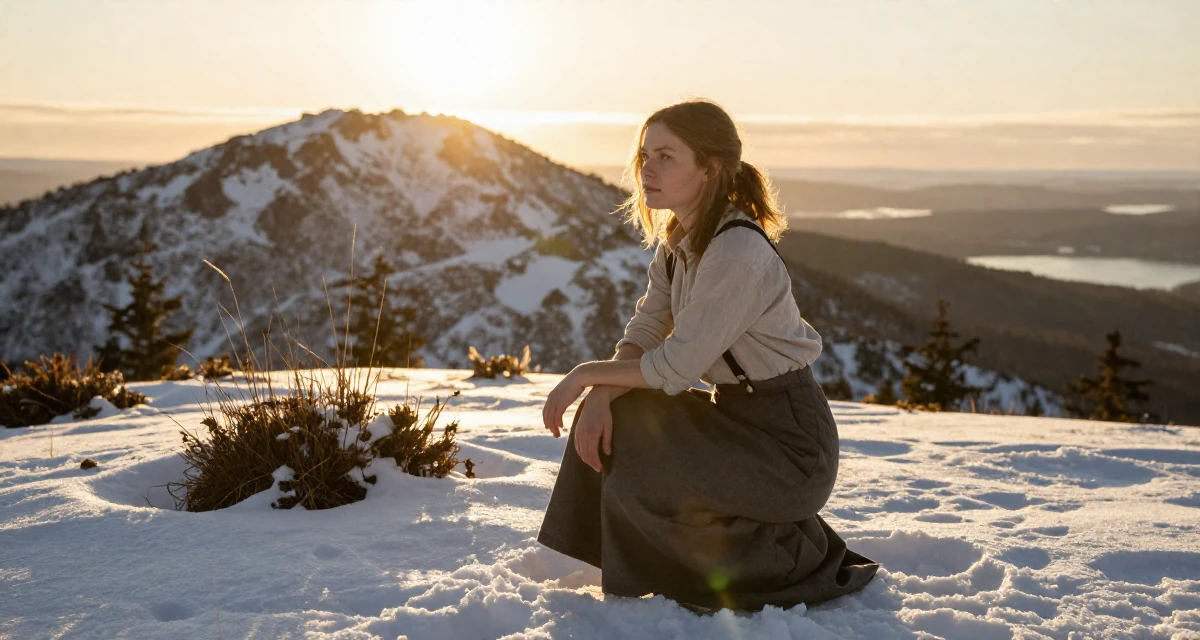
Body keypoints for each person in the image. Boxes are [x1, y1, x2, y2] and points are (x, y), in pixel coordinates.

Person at [538, 98, 879, 613]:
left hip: (791, 448)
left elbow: (677, 366)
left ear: (710, 169)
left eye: (666, 156)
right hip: (737, 421)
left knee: (638, 440)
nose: (648, 169)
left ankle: (790, 556)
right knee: (624, 413)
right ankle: (632, 561)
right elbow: (647, 328)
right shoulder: (679, 243)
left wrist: (586, 375)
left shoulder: (736, 252)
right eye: (645, 155)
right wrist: (602, 394)